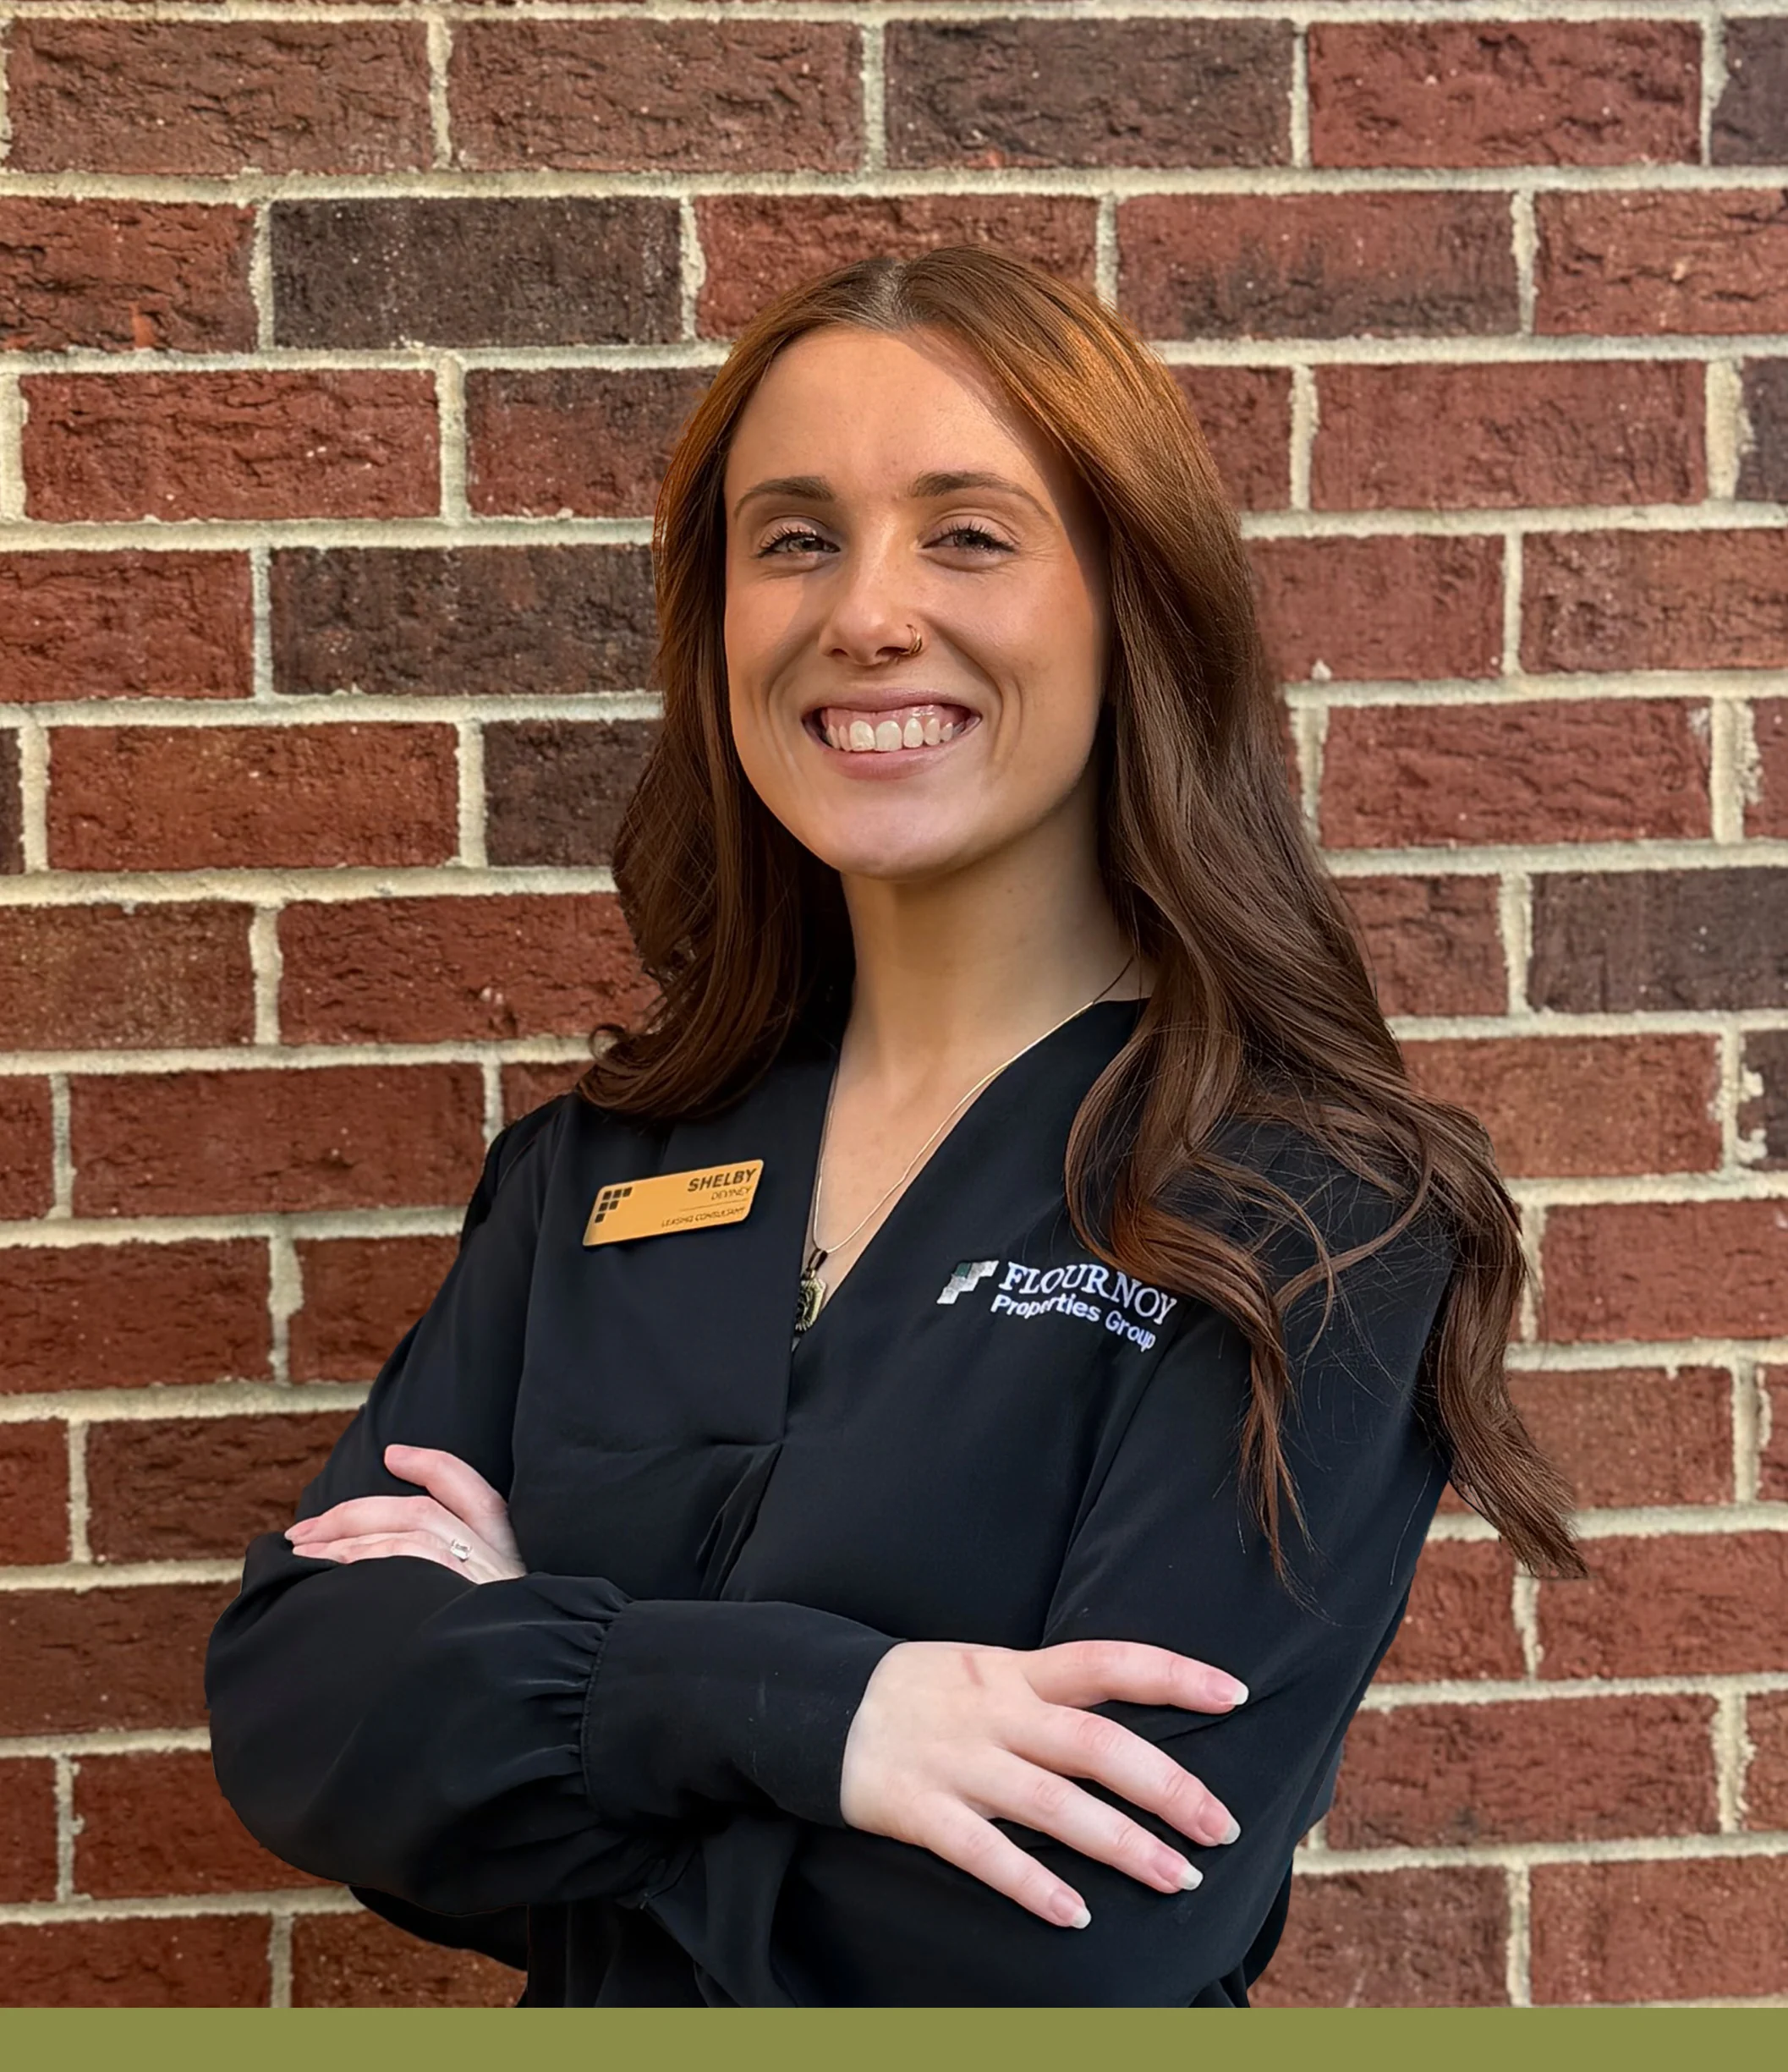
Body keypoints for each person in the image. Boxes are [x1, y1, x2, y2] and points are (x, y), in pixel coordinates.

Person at [204, 246, 1586, 2007]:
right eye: (793, 538)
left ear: (1131, 603)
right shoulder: (594, 1173)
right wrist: (828, 1714)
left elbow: (1066, 1936)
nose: (864, 611)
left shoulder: (1304, 1213)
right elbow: (301, 1717)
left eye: (967, 533)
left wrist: (525, 1677)